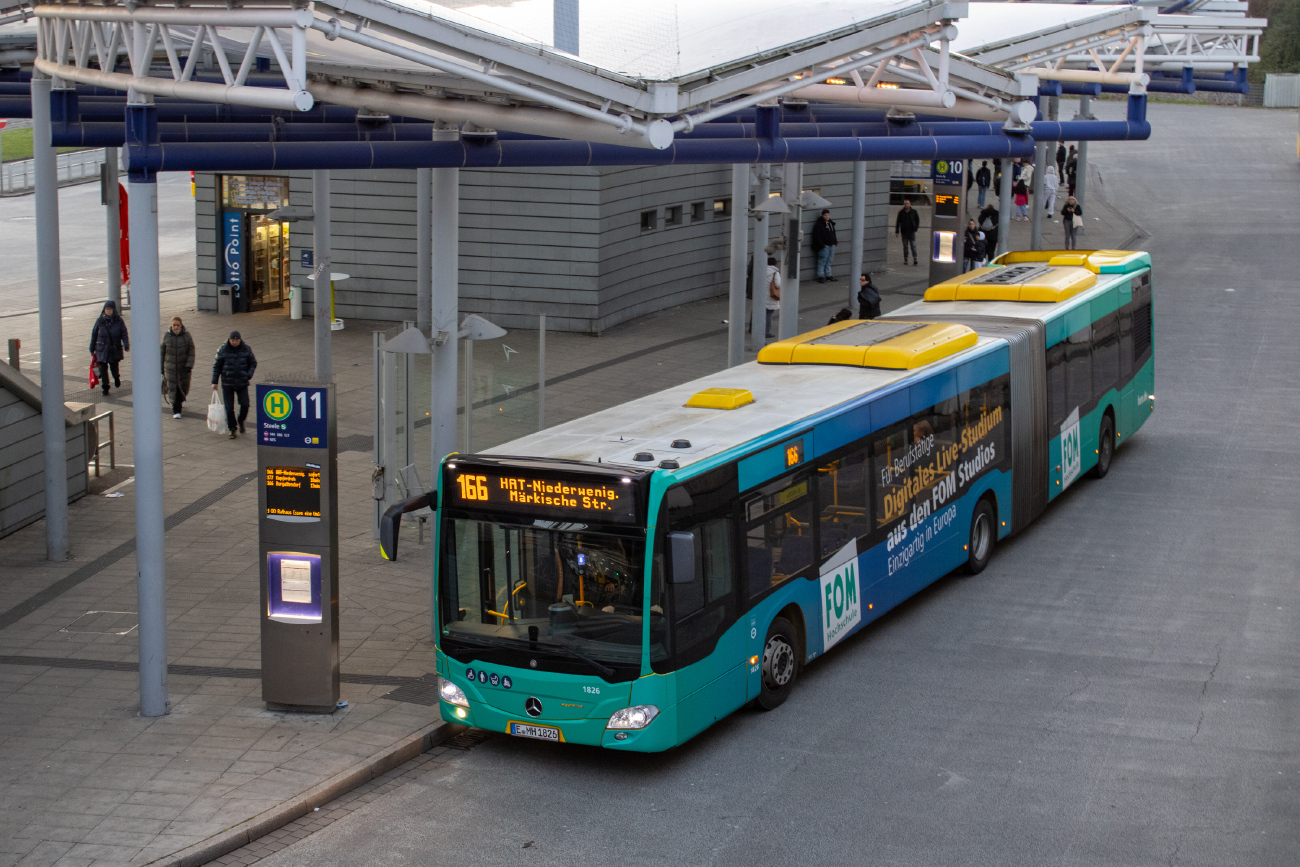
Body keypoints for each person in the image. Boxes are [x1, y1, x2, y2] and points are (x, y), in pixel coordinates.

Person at [211, 331, 258, 439]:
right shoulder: (223, 350)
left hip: (242, 382)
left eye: (236, 340)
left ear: (240, 340)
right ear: (229, 340)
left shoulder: (246, 349)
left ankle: (241, 420)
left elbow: (253, 363)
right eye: (232, 340)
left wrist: (248, 375)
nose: (234, 342)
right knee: (229, 408)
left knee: (245, 404)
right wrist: (214, 381)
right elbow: (216, 366)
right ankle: (232, 428)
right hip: (228, 383)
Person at [89, 300, 129, 397]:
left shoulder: (119, 321)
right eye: (107, 309)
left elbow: (124, 333)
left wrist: (126, 344)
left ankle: (116, 377)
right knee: (103, 369)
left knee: (114, 368)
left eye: (110, 309)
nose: (108, 311)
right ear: (104, 310)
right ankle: (105, 387)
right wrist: (92, 347)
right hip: (101, 349)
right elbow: (94, 334)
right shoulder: (100, 321)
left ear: (113, 310)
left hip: (113, 349)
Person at [161, 316, 195, 418]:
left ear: (181, 325)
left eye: (178, 325)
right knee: (173, 389)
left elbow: (191, 351)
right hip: (170, 368)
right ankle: (176, 411)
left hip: (183, 368)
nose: (176, 327)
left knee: (184, 387)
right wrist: (161, 367)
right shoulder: (167, 336)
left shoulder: (186, 336)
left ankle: (182, 399)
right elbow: (162, 352)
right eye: (174, 325)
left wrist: (189, 365)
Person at [811, 209, 838, 283]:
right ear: (822, 216)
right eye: (825, 215)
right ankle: (821, 276)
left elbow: (833, 234)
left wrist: (835, 242)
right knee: (822, 261)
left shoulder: (831, 224)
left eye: (828, 215)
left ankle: (828, 275)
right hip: (824, 246)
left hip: (831, 245)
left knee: (829, 261)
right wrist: (821, 245)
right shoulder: (819, 225)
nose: (827, 216)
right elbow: (817, 236)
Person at [895, 199, 920, 266]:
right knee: (905, 246)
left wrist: (915, 228)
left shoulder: (914, 212)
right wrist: (897, 231)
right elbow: (898, 222)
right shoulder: (901, 212)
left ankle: (915, 258)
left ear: (910, 204)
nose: (906, 205)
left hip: (911, 232)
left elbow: (917, 220)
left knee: (913, 246)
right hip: (904, 232)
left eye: (907, 203)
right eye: (905, 203)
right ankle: (906, 258)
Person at [763, 256, 781, 339]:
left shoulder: (761, 270)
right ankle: (767, 332)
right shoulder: (775, 272)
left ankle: (755, 329)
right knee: (769, 314)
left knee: (761, 313)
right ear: (774, 264)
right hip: (770, 295)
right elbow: (778, 284)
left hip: (761, 295)